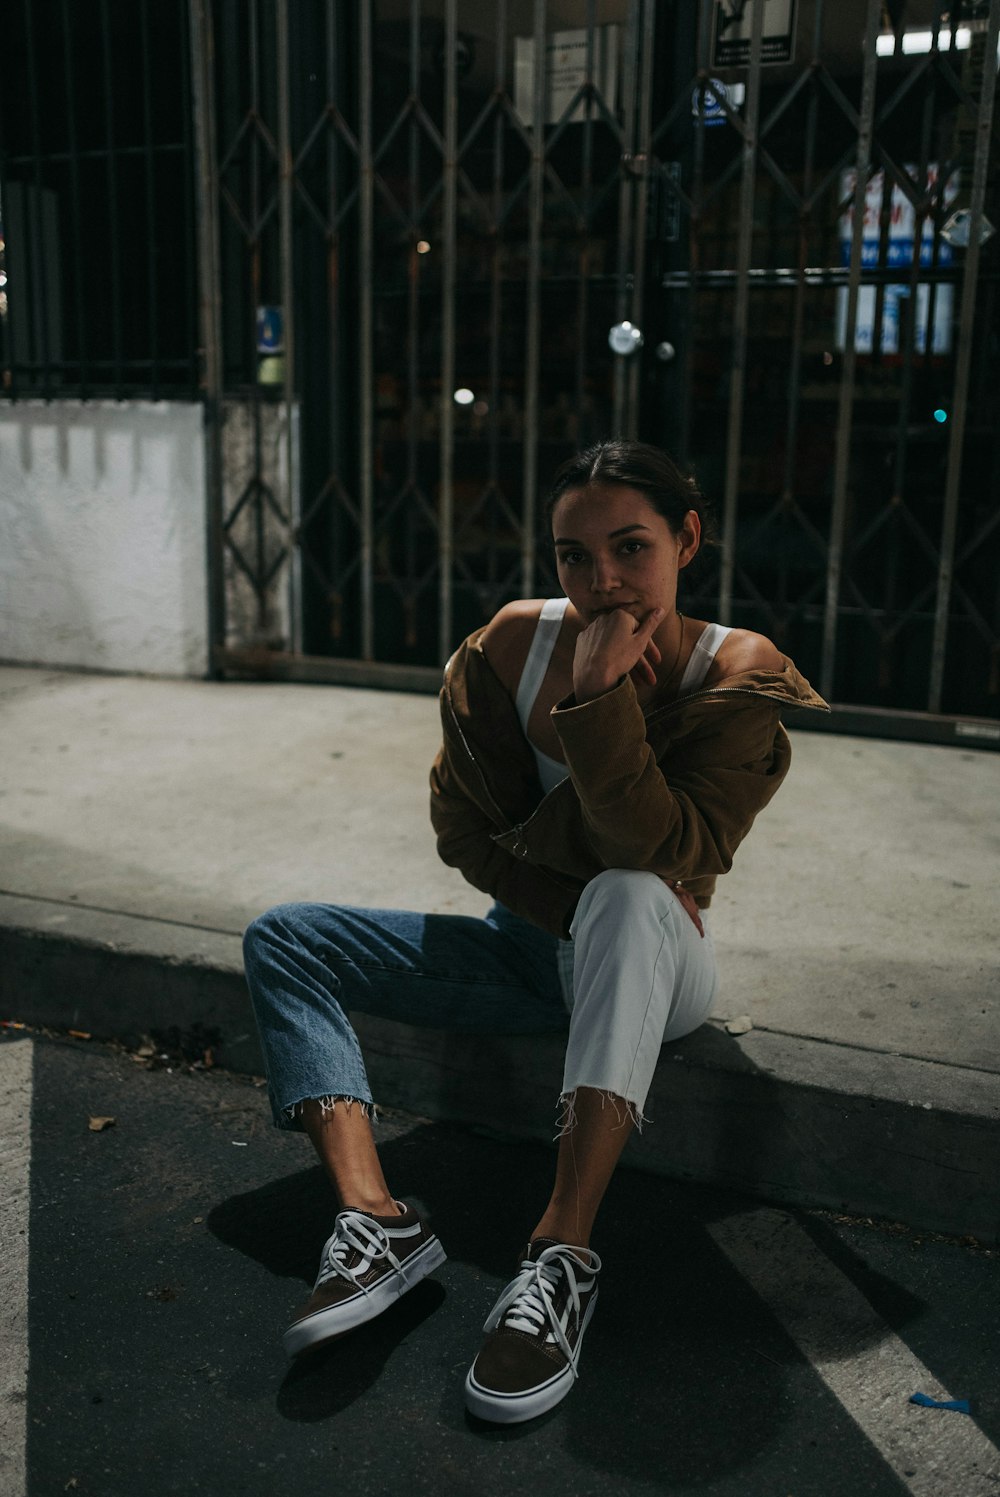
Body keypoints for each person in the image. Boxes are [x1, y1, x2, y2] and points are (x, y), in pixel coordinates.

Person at [242, 439, 828, 1425]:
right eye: (572, 555)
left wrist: (598, 705)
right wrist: (565, 902)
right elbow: (463, 833)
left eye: (631, 547)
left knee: (632, 895)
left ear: (686, 540)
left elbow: (662, 848)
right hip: (522, 950)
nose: (602, 583)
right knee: (284, 938)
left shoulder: (737, 673)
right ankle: (375, 1221)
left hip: (659, 968)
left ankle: (561, 1249)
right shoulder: (512, 645)